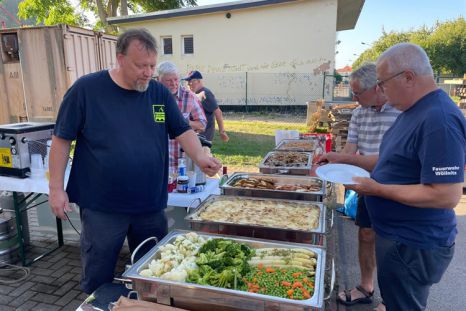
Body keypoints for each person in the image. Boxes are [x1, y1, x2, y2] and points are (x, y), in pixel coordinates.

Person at [48, 29, 221, 294]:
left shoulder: (158, 94)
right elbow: (61, 141)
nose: (148, 72)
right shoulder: (86, 90)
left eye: (152, 65)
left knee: (156, 274)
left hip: (150, 206)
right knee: (99, 275)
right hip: (103, 208)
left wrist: (200, 155)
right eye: (141, 65)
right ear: (120, 58)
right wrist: (56, 190)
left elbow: (183, 130)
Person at [347, 43, 465, 310]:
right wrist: (345, 159)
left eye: (383, 83)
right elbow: (393, 159)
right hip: (399, 239)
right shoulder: (413, 110)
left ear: (409, 77)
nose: (381, 91)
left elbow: (446, 195)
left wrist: (377, 189)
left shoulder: (439, 119)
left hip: (412, 243)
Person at [319, 63, 400, 307]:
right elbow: (349, 150)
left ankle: (391, 299)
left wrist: (343, 160)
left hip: (395, 187)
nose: (354, 98)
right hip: (367, 185)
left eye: (357, 93)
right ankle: (366, 286)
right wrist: (342, 173)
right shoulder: (359, 113)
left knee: (391, 243)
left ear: (376, 88)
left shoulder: (400, 111)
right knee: (365, 234)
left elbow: (388, 159)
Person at [156, 61, 207, 172]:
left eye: (176, 79)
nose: (174, 83)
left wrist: (183, 122)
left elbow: (202, 124)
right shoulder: (151, 96)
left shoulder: (189, 97)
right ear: (158, 80)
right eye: (169, 80)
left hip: (182, 162)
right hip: (157, 161)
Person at [184, 70, 229, 143]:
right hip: (195, 135)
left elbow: (218, 112)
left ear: (198, 81)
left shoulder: (206, 93)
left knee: (203, 154)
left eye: (190, 81)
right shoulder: (193, 94)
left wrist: (222, 131)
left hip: (204, 136)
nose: (188, 84)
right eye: (187, 81)